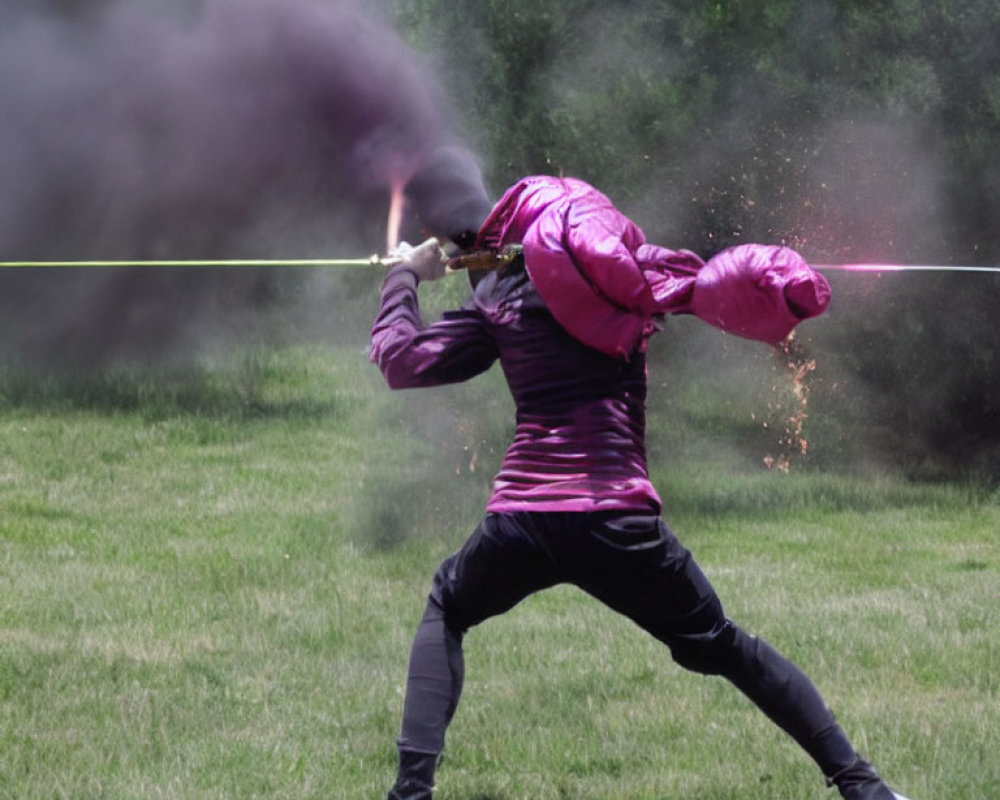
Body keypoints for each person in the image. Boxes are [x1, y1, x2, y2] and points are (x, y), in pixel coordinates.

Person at [370, 176, 911, 800]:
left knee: (448, 608)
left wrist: (406, 274)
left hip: (524, 518)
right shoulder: (622, 283)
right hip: (616, 519)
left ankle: (410, 794)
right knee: (727, 648)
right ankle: (865, 789)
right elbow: (709, 281)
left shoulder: (497, 295)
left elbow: (400, 359)